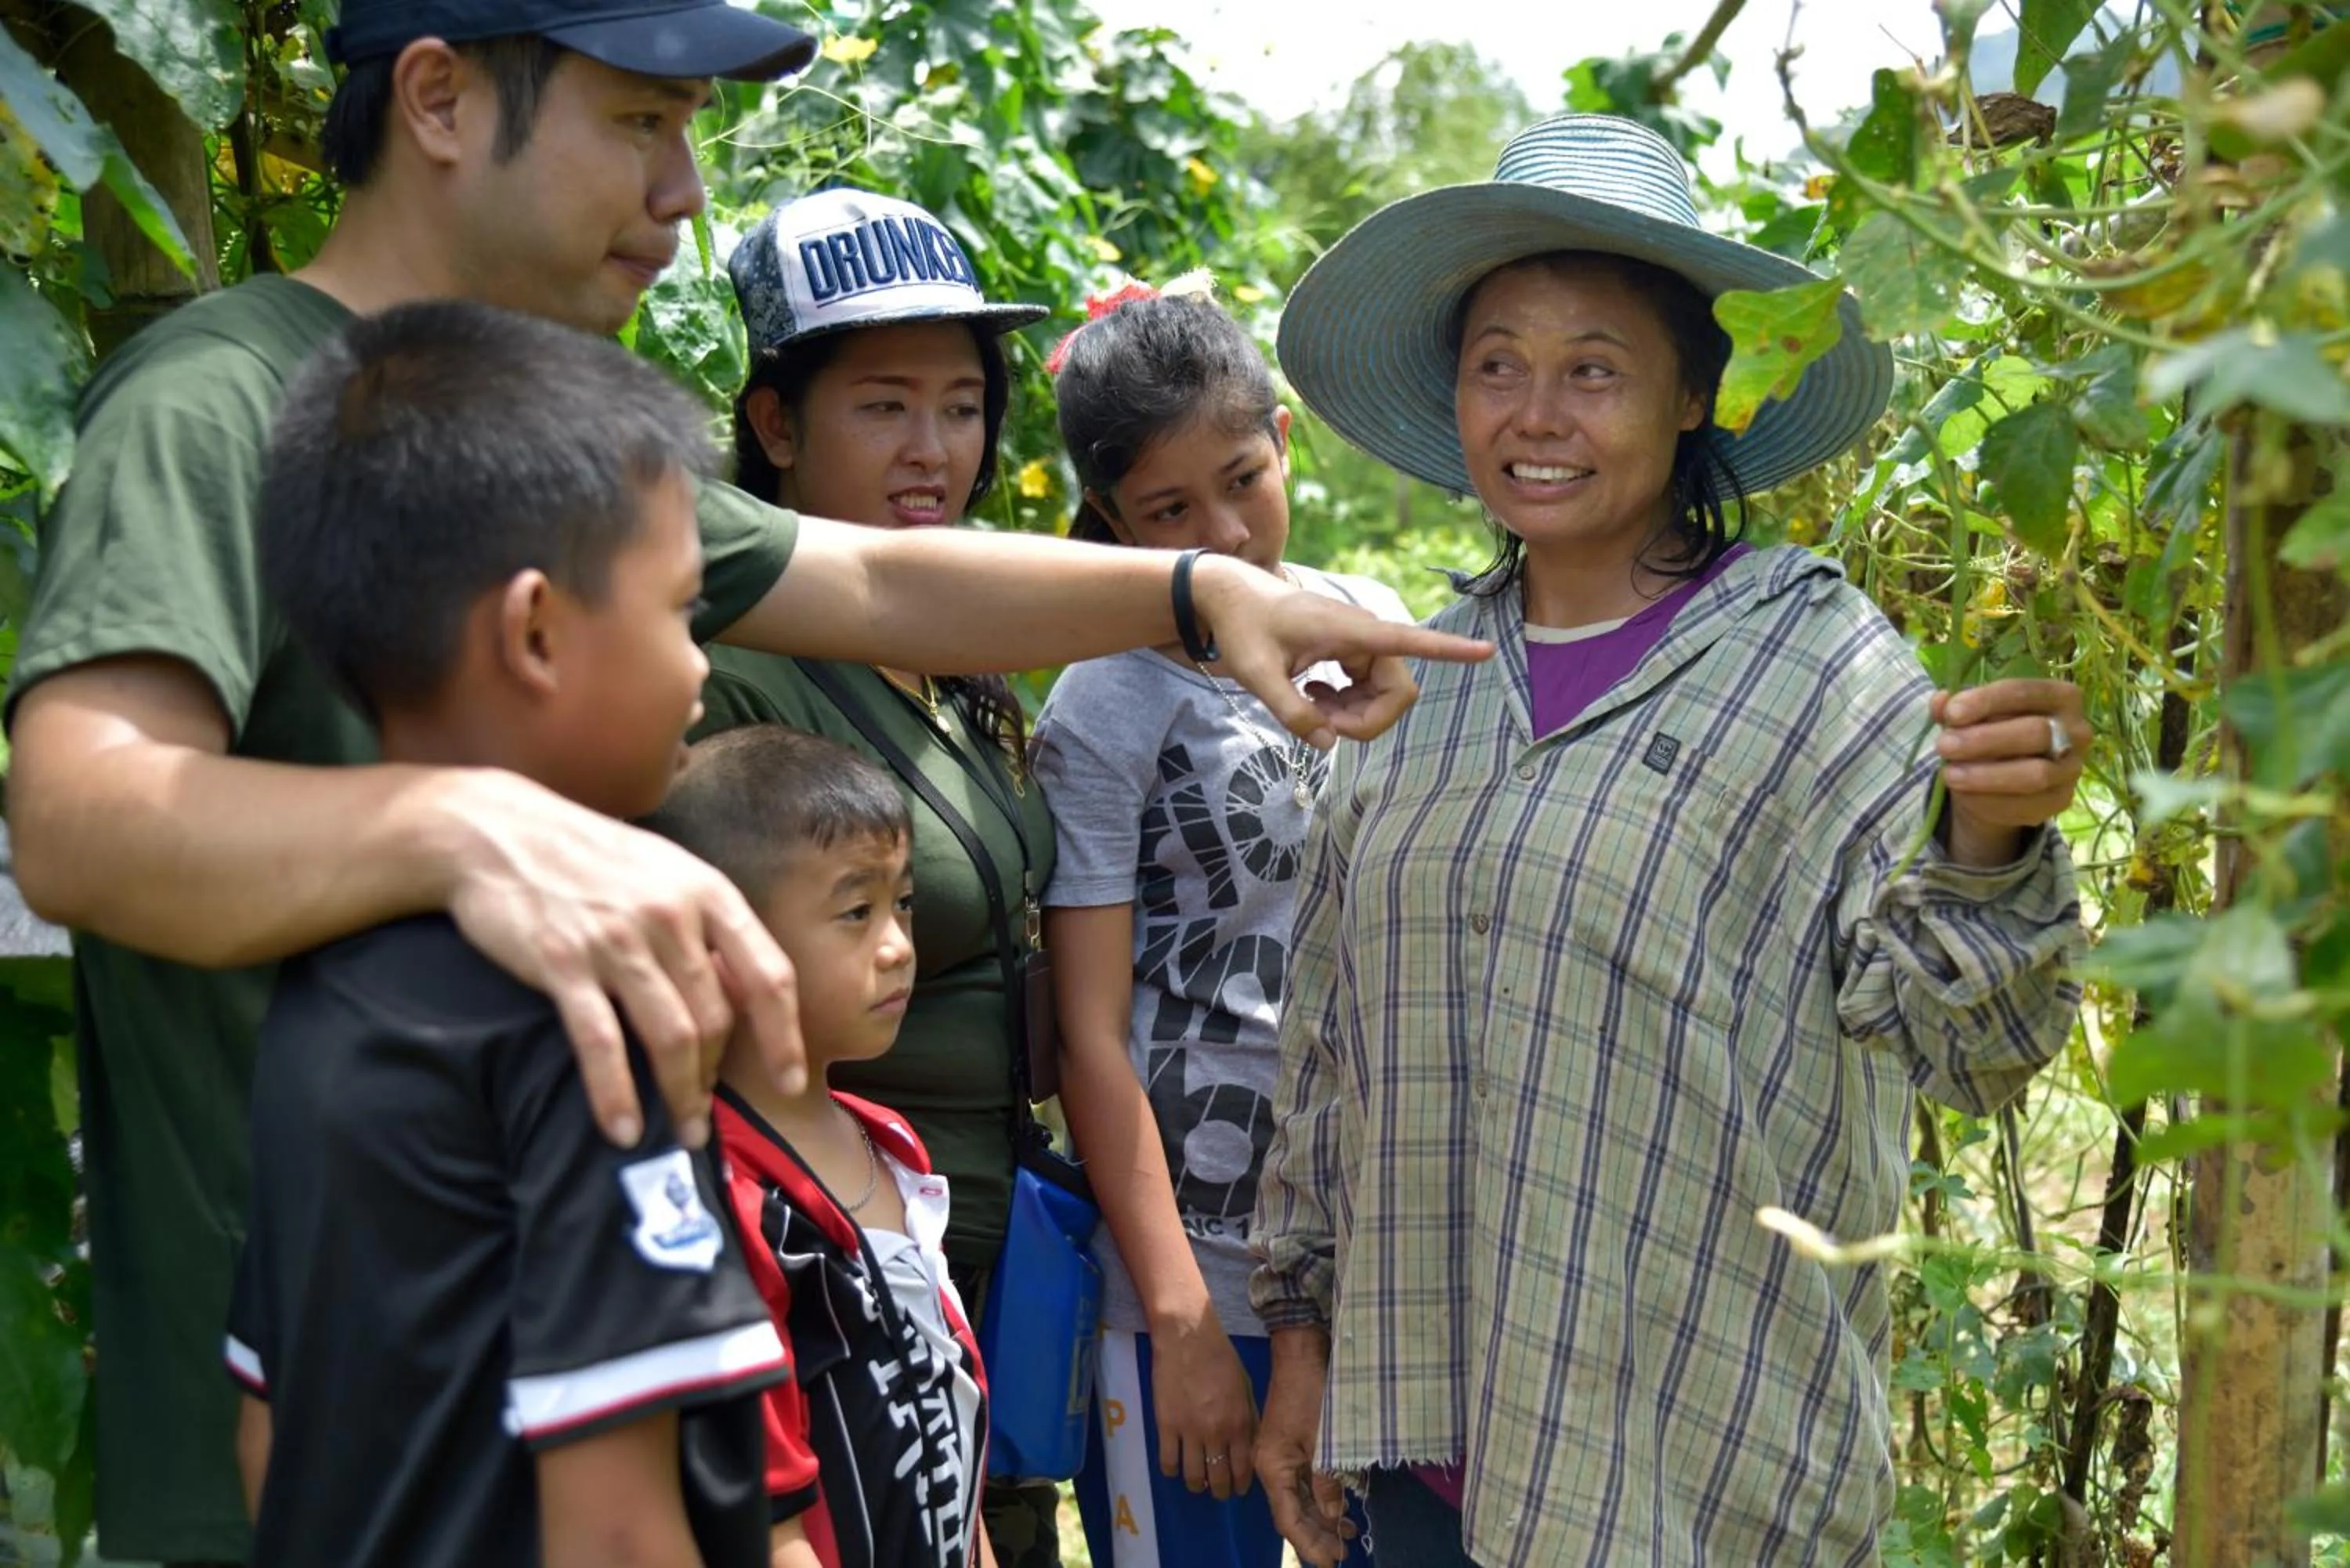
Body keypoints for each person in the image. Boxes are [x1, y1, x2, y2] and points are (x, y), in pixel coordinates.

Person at [0, 3, 1488, 1557]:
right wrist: (460, 823)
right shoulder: (217, 402)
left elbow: (883, 582)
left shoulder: (536, 436)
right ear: (439, 99)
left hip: (587, 1427)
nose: (690, 189)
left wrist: (1200, 595)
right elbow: (85, 813)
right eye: (641, 121)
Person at [1248, 114, 2090, 1566]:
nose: (1536, 411)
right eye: (1498, 363)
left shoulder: (1819, 668)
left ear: (1697, 393)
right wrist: (1304, 1339)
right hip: (1429, 1459)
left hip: (1691, 1458)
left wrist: (1992, 840)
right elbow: (1333, 1038)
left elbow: (1977, 1046)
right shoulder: (1425, 674)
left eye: (1594, 367)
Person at [227, 299, 790, 1566]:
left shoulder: (326, 981)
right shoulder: (595, 1005)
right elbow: (619, 1533)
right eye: (679, 610)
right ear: (537, 631)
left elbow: (270, 1436)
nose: (701, 664)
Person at [696, 184, 1072, 1566]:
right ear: (778, 422)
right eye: (884, 406)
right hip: (828, 1272)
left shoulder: (959, 632)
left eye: (962, 404)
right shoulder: (734, 672)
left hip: (969, 1239)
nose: (936, 448)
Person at [1025, 284, 1396, 1568]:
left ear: (1286, 437)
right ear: (1112, 522)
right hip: (1196, 1282)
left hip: (1371, 1273)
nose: (1226, 535)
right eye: (1169, 513)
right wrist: (1179, 1319)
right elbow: (1089, 1035)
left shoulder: (1367, 629)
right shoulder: (1104, 708)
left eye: (1244, 477)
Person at [645, 724, 1000, 1568]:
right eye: (856, 911)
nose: (898, 946)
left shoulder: (892, 1145)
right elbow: (771, 1526)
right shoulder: (729, 1195)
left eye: (903, 903)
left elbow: (950, 1416)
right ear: (728, 940)